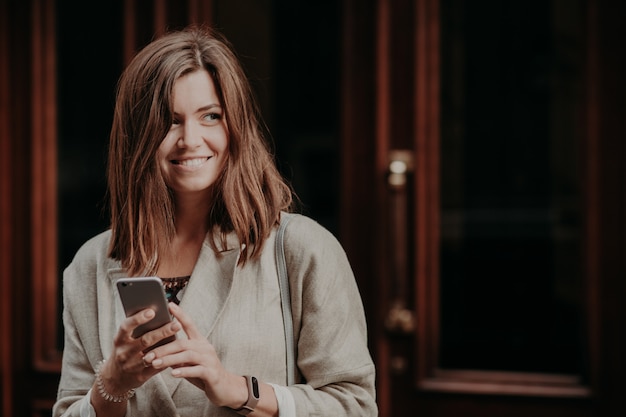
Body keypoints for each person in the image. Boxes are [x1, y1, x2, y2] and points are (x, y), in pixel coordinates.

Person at [52, 25, 377, 417]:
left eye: (210, 116)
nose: (190, 138)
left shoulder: (301, 249)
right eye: (170, 120)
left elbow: (355, 406)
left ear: (235, 125)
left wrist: (237, 390)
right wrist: (113, 385)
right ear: (138, 137)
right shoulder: (90, 266)